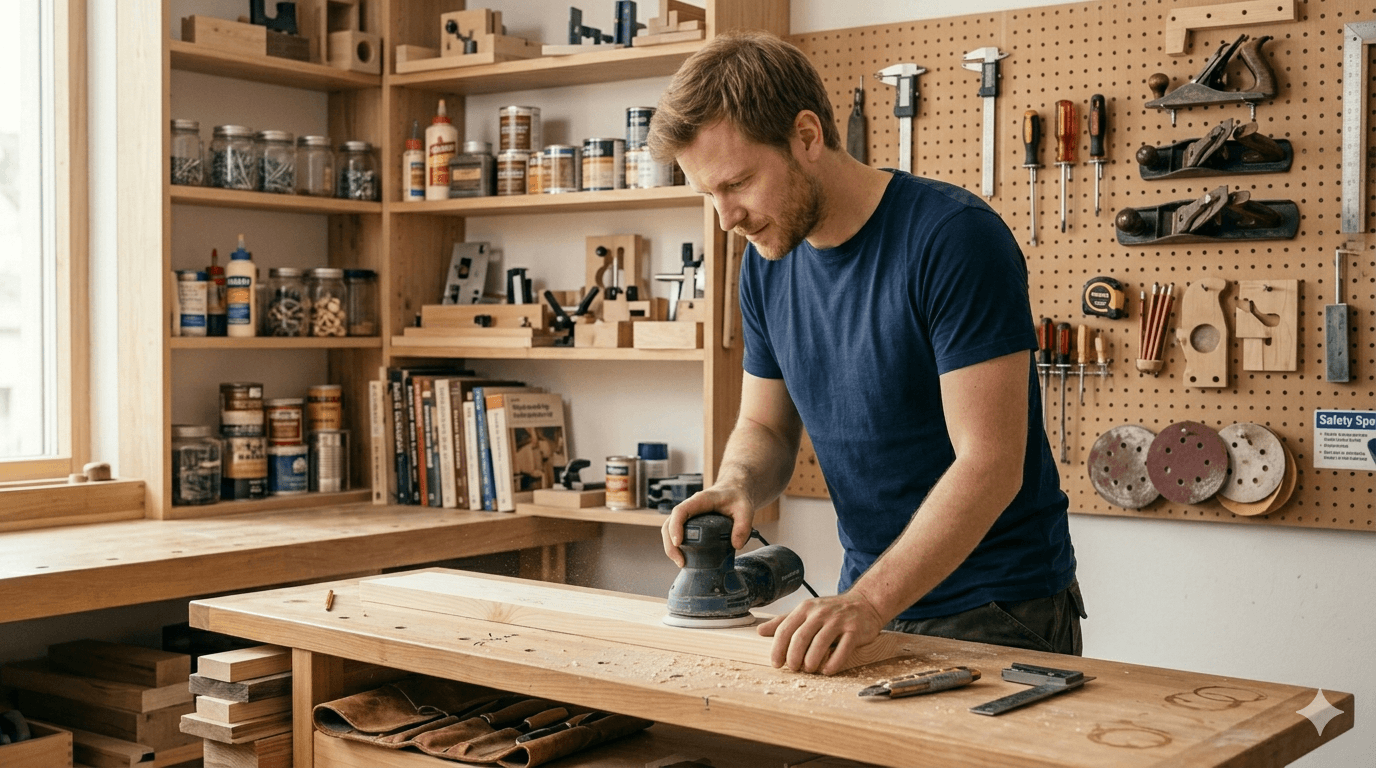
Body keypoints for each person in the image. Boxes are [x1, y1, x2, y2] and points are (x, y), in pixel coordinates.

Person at [646, 30, 1084, 676]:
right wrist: (736, 484)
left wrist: (866, 603)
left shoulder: (954, 240)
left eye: (737, 183)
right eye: (708, 194)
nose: (725, 218)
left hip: (999, 608)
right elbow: (766, 425)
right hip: (867, 600)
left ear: (806, 135)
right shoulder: (768, 262)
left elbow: (991, 464)